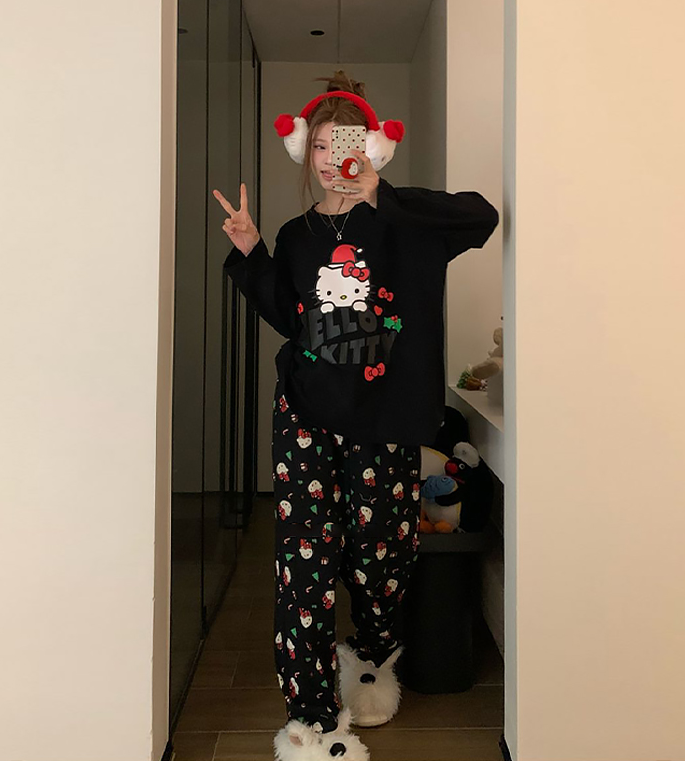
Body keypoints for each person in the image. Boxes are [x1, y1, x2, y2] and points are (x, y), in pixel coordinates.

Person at [213, 71, 499, 761]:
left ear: (369, 148)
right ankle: (312, 721)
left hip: (385, 417)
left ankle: (369, 662)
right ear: (304, 152)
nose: (329, 158)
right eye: (318, 145)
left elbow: (482, 216)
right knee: (304, 566)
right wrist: (252, 251)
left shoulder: (407, 223)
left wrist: (382, 196)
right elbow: (292, 317)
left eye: (343, 144)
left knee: (381, 561)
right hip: (306, 414)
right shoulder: (298, 234)